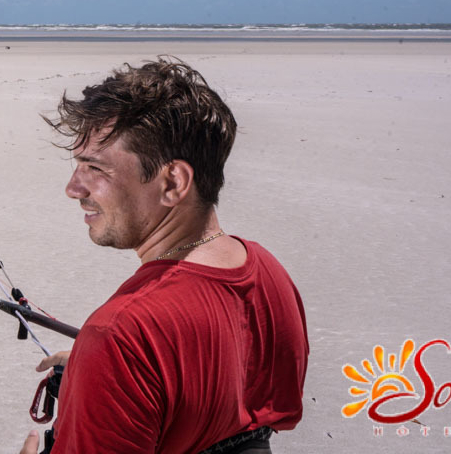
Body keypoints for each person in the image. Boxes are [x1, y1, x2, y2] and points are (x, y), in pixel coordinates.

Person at [19, 58, 308, 454]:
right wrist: (111, 377)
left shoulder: (119, 333)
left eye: (94, 168)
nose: (73, 188)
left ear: (173, 182)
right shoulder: (268, 271)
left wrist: (110, 364)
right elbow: (234, 400)